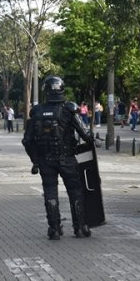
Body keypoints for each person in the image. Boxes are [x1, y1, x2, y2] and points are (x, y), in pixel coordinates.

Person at [22, 76, 96, 240]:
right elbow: (85, 133)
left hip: (45, 161)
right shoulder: (68, 110)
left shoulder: (37, 111)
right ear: (61, 89)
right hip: (67, 159)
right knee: (75, 192)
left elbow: (27, 140)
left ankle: (54, 229)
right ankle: (79, 227)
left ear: (46, 91)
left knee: (50, 193)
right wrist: (94, 140)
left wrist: (35, 160)